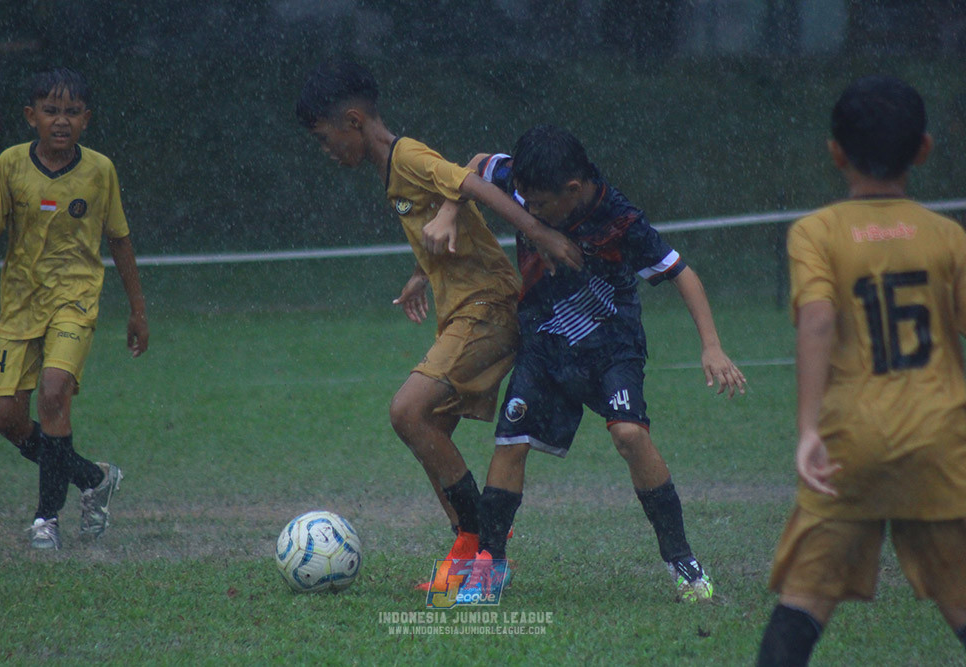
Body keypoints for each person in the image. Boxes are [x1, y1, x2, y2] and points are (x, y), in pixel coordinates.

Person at [295, 61, 583, 587]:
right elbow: (443, 213)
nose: (326, 150)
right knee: (431, 432)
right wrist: (420, 274)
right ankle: (472, 549)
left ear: (353, 121)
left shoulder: (406, 157)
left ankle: (479, 543)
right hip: (463, 308)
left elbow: (475, 184)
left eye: (324, 136)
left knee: (408, 412)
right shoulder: (393, 172)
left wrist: (539, 235)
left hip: (488, 307)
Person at [443, 124, 746, 602]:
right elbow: (475, 165)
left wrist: (711, 345)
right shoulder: (527, 186)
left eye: (538, 204)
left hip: (611, 349)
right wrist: (462, 220)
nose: (528, 209)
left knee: (629, 436)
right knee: (511, 442)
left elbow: (681, 273)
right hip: (544, 344)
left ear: (574, 190)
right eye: (523, 199)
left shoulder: (621, 219)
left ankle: (682, 560)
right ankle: (490, 564)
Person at [756, 75, 966, 665]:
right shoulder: (947, 236)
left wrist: (807, 430)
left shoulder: (816, 232)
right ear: (923, 149)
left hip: (853, 443)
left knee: (804, 602)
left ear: (835, 152)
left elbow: (818, 321)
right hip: (942, 440)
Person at [0, 68, 148, 550]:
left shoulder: (100, 170)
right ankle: (93, 478)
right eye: (50, 111)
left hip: (75, 299)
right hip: (20, 305)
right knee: (5, 417)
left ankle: (46, 519)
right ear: (31, 117)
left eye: (71, 112)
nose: (61, 120)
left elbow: (120, 240)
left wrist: (138, 310)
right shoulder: (10, 164)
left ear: (86, 120)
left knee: (52, 394)